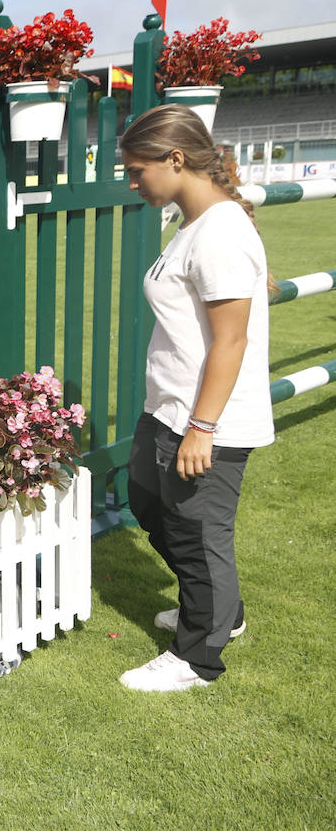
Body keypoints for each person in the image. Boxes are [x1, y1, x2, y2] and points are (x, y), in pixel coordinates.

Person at [117, 104, 274, 693]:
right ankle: (217, 612)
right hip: (170, 406)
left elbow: (231, 342)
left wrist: (202, 427)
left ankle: (198, 655)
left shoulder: (222, 232)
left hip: (207, 418)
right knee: (148, 503)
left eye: (138, 170)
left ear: (175, 159)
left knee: (197, 533)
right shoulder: (191, 224)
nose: (134, 182)